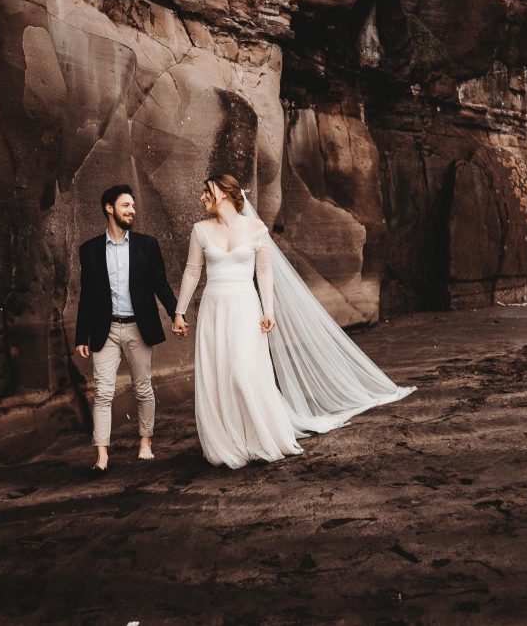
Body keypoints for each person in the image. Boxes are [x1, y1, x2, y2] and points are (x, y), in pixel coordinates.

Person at [173, 174, 415, 468]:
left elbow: (264, 272)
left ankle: (261, 437)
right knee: (219, 374)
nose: (202, 197)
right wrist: (179, 311)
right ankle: (231, 442)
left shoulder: (256, 228)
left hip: (244, 308)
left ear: (224, 193)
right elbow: (191, 271)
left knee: (242, 373)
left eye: (206, 190)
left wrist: (268, 310)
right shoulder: (200, 230)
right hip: (214, 309)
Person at [75, 184, 179, 472]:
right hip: (104, 330)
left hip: (137, 327)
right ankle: (102, 455)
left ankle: (145, 443)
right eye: (125, 205)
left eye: (133, 206)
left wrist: (176, 314)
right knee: (103, 393)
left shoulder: (147, 245)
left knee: (143, 389)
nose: (132, 210)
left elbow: (161, 285)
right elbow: (87, 295)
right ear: (110, 208)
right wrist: (81, 335)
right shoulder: (90, 250)